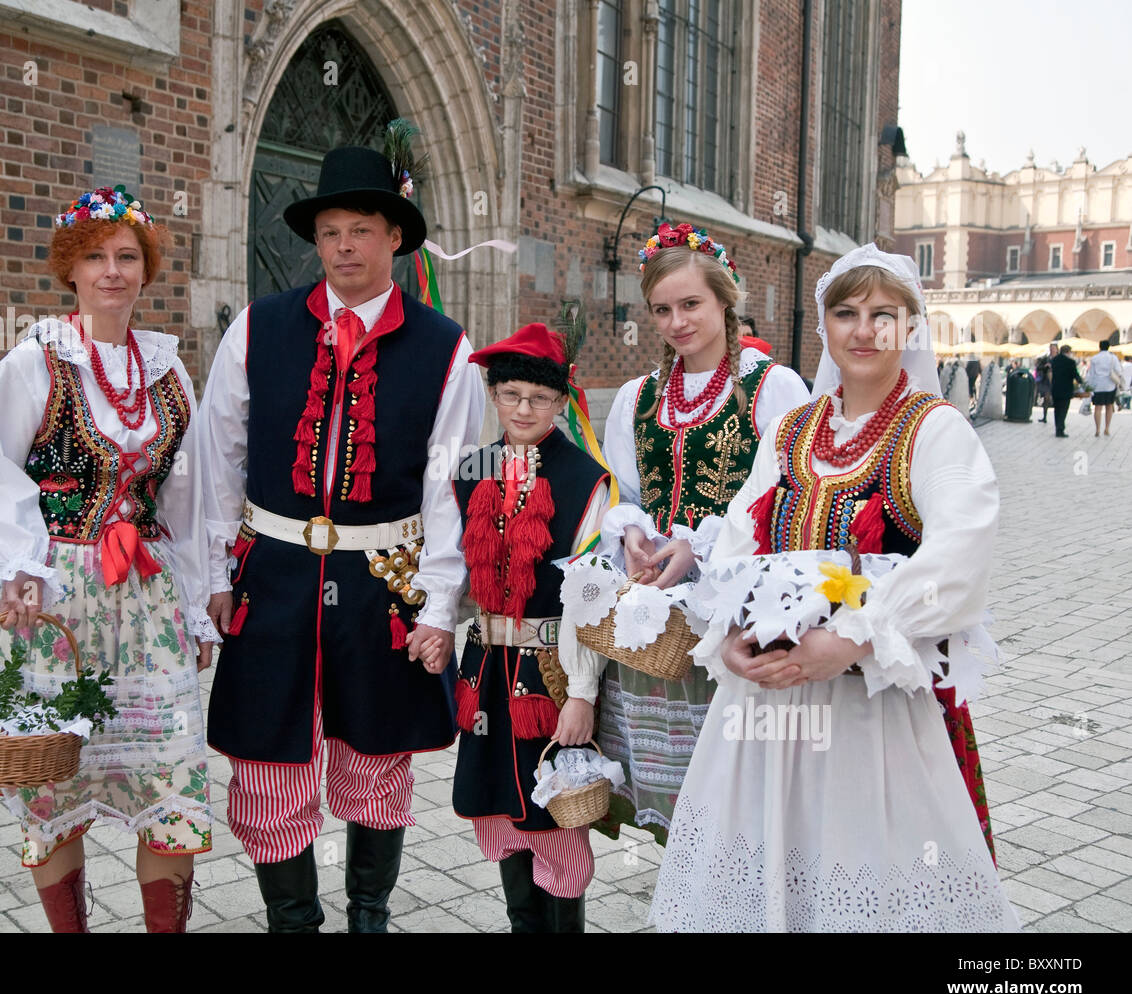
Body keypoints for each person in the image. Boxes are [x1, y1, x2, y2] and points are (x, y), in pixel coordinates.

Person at [650, 244, 1017, 931]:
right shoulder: (792, 432)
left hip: (873, 707)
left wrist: (849, 639)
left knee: (861, 878)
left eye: (885, 313)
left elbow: (959, 555)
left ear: (910, 327)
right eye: (846, 312)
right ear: (825, 327)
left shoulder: (934, 430)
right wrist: (726, 637)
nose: (865, 329)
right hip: (768, 702)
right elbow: (736, 539)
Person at [196, 128, 485, 933]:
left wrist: (438, 605)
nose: (344, 246)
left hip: (382, 585)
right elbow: (219, 454)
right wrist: (215, 574)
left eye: (362, 228)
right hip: (275, 578)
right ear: (314, 240)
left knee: (376, 758)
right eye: (330, 232)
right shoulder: (257, 328)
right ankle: (294, 924)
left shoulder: (446, 347)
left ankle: (368, 917)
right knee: (265, 763)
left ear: (396, 236)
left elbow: (448, 484)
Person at [0, 186, 218, 932]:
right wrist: (18, 565)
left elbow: (189, 500)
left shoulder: (168, 371)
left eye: (127, 257)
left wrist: (198, 602)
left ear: (145, 270)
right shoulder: (35, 362)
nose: (112, 272)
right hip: (54, 600)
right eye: (95, 257)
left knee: (169, 785)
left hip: (149, 599)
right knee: (52, 782)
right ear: (71, 269)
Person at [591, 223, 809, 842]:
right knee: (673, 798)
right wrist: (632, 535)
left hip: (735, 610)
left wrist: (702, 547)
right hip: (658, 618)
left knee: (737, 795)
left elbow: (785, 502)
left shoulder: (773, 387)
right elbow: (625, 495)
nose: (677, 322)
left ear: (725, 300)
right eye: (662, 309)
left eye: (691, 304)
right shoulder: (639, 397)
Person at [451, 321, 611, 932]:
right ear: (494, 396)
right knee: (500, 808)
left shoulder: (584, 480)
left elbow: (590, 596)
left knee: (556, 819)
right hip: (488, 673)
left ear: (560, 402)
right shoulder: (470, 471)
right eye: (511, 394)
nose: (523, 408)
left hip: (550, 674)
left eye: (539, 398)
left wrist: (581, 693)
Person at [1086, 339, 1121, 436]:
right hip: (1110, 385)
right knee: (1109, 406)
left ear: (1099, 347)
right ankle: (1107, 428)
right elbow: (1118, 370)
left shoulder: (1094, 358)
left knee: (1098, 407)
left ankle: (1097, 429)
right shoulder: (1113, 358)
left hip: (1097, 385)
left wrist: (1089, 387)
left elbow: (1091, 374)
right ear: (1108, 347)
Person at [1050, 344, 1082, 438]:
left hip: (1055, 388)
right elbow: (1075, 374)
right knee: (1063, 410)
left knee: (1057, 410)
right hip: (1066, 389)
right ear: (1068, 352)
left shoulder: (1054, 360)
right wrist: (1081, 382)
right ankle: (1060, 429)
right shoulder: (1071, 362)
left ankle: (1057, 428)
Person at [1034, 343, 1056, 423]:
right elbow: (1038, 367)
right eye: (1051, 348)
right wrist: (1045, 366)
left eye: (1053, 348)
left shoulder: (1059, 358)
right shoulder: (1046, 358)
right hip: (1047, 381)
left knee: (1056, 401)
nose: (1052, 350)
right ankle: (1045, 416)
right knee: (1046, 399)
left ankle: (1058, 418)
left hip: (1056, 381)